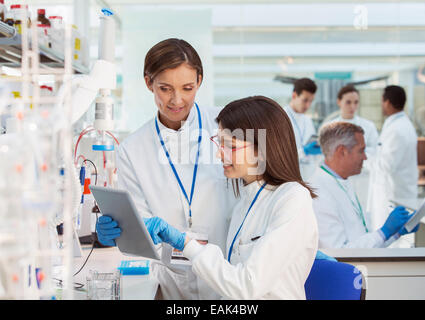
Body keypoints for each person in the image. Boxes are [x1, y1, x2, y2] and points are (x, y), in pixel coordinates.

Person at [134, 96, 319, 299]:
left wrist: (186, 244)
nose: (220, 155)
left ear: (262, 149)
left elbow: (246, 286)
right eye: (219, 144)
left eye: (230, 146)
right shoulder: (244, 200)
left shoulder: (292, 198)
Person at [96, 38, 236, 300]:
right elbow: (141, 230)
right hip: (173, 281)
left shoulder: (226, 126)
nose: (177, 100)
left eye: (187, 87)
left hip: (228, 276)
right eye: (164, 88)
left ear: (200, 81)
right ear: (148, 82)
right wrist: (123, 231)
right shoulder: (132, 149)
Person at [310, 122, 418, 248]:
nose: (365, 157)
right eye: (361, 151)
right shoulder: (318, 192)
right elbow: (339, 254)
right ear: (342, 151)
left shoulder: (342, 181)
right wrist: (384, 232)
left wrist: (396, 233)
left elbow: (362, 242)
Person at [367, 85, 419, 233]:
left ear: (387, 102)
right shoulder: (398, 125)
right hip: (397, 195)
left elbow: (386, 165)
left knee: (394, 245)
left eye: (382, 101)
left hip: (394, 197)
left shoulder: (397, 129)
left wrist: (364, 158)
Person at [320, 85, 379, 209]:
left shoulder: (368, 126)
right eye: (348, 102)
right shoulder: (329, 127)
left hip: (362, 179)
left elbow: (374, 152)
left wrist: (354, 153)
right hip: (337, 179)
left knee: (361, 211)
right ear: (339, 102)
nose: (353, 106)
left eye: (356, 102)